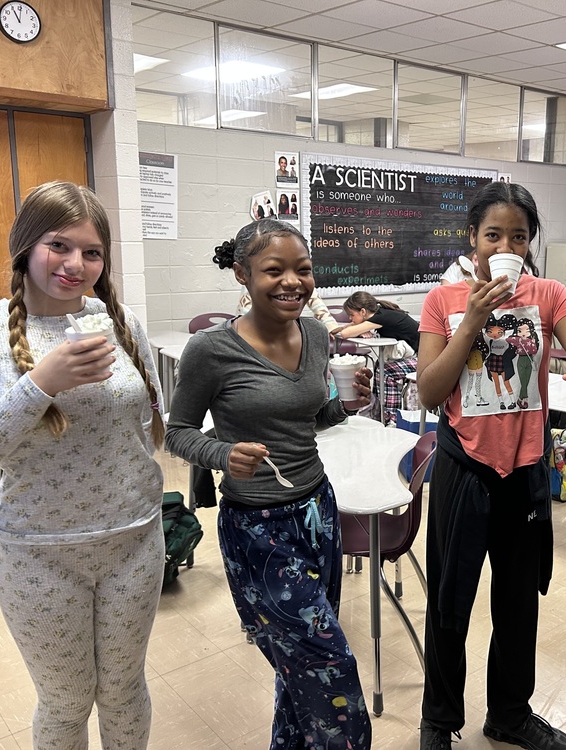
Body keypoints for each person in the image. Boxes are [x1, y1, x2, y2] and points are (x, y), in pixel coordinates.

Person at [0, 181, 166, 749]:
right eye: (58, 246)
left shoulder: (121, 320)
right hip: (41, 551)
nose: (75, 264)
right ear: (25, 245)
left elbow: (153, 428)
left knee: (124, 689)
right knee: (64, 702)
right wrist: (39, 385)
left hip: (134, 541)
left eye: (92, 252)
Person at [164, 218, 373, 749]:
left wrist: (344, 404)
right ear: (242, 273)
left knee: (297, 666)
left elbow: (313, 419)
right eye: (273, 270)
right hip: (257, 531)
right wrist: (222, 454)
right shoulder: (211, 350)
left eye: (302, 270)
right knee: (328, 666)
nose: (292, 282)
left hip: (318, 513)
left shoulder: (319, 335)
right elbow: (177, 432)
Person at [417, 181, 566, 750]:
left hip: (524, 472)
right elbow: (428, 391)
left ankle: (510, 715)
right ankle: (438, 721)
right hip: (462, 467)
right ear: (473, 239)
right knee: (450, 600)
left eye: (518, 236)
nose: (505, 244)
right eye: (493, 234)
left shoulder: (549, 294)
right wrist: (471, 319)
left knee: (519, 602)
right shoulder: (441, 300)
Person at [336, 291, 420, 422]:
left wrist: (360, 328)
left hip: (425, 359)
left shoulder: (380, 317)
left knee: (386, 371)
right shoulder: (381, 313)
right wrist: (361, 328)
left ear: (363, 311)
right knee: (378, 364)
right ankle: (377, 411)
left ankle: (391, 418)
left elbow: (346, 333)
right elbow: (349, 328)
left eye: (352, 315)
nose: (350, 319)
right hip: (418, 355)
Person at [236, 286, 341, 334]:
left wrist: (330, 324)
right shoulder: (251, 286)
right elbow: (245, 312)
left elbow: (313, 297)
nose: (291, 282)